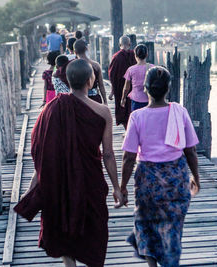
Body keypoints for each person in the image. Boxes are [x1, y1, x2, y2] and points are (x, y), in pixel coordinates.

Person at [14, 59, 125, 267]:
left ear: (67, 79)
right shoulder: (102, 111)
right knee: (96, 226)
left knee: (64, 221)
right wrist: (117, 188)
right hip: (90, 180)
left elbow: (41, 151)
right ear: (90, 80)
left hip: (60, 180)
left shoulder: (50, 108)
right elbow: (108, 154)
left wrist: (32, 186)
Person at [120, 66, 201, 267]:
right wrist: (196, 178)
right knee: (172, 224)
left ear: (145, 89)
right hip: (176, 176)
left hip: (147, 177)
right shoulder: (179, 111)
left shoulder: (137, 117)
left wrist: (122, 187)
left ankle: (151, 265)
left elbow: (129, 157)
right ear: (168, 88)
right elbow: (190, 150)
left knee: (146, 223)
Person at [108, 36, 136, 129]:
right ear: (130, 44)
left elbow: (112, 75)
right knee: (132, 110)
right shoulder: (135, 55)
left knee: (123, 112)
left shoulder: (116, 57)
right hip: (134, 88)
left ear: (119, 44)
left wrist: (112, 91)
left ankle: (127, 129)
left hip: (120, 88)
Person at [74, 39, 107, 104]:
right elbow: (101, 85)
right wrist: (105, 102)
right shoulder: (96, 65)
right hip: (94, 98)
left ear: (75, 52)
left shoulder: (73, 66)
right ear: (87, 49)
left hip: (79, 100)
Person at [121, 44, 153, 111]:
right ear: (146, 55)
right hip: (150, 100)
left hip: (136, 100)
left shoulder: (131, 69)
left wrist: (123, 98)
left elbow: (126, 87)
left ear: (135, 55)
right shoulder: (152, 68)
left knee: (137, 119)